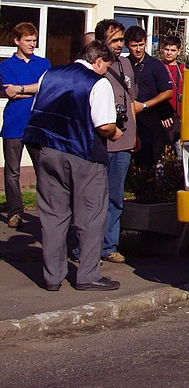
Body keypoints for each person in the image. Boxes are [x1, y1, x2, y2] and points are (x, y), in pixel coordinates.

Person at [23, 40, 123, 291]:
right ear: (98, 60)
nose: (105, 72)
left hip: (47, 151)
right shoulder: (98, 82)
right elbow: (103, 125)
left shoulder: (49, 74)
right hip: (83, 153)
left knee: (53, 216)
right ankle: (88, 275)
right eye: (106, 66)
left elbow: (37, 110)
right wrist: (116, 133)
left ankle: (52, 277)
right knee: (91, 216)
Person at [95, 19, 138, 264]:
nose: (120, 45)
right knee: (93, 197)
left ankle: (109, 246)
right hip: (102, 141)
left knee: (115, 197)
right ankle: (85, 246)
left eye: (122, 40)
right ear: (103, 42)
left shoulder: (125, 65)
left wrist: (134, 134)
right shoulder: (96, 65)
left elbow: (131, 101)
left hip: (123, 142)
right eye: (115, 41)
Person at [1, 22, 51, 229]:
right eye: (28, 40)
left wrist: (21, 88)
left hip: (37, 125)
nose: (32, 44)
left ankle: (47, 213)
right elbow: (8, 91)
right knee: (12, 172)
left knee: (44, 171)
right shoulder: (6, 66)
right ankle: (15, 212)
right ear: (17, 41)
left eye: (34, 40)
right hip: (14, 124)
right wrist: (33, 88)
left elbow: (46, 87)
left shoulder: (43, 63)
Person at [124, 26, 173, 170]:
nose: (138, 49)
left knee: (151, 158)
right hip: (130, 118)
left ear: (146, 43)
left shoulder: (155, 65)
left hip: (151, 118)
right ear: (128, 45)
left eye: (141, 45)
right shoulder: (124, 64)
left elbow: (168, 92)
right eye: (134, 46)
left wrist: (144, 105)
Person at [160, 34, 184, 151]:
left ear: (179, 51)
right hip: (163, 118)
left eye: (173, 50)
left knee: (180, 156)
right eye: (167, 49)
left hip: (180, 119)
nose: (169, 53)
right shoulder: (158, 67)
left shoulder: (183, 69)